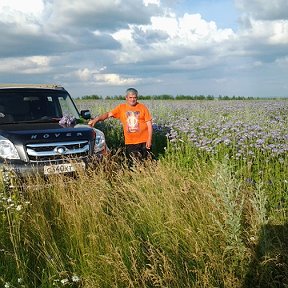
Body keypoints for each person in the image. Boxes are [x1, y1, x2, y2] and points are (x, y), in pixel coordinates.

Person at [88, 88, 153, 162]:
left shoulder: (142, 107)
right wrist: (96, 120)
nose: (132, 99)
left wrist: (149, 139)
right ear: (126, 98)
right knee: (133, 164)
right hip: (130, 142)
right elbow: (108, 114)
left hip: (144, 141)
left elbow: (149, 125)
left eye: (134, 97)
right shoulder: (121, 108)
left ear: (137, 98)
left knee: (147, 162)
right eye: (130, 97)